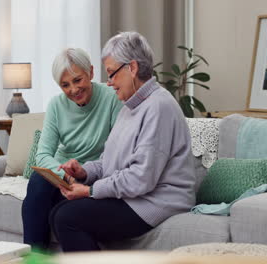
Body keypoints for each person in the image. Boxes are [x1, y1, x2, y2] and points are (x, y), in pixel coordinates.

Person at [51, 32, 197, 252]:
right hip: (137, 197)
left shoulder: (159, 107)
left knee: (66, 218)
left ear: (133, 68)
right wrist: (84, 173)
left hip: (157, 201)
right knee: (57, 212)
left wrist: (90, 191)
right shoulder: (130, 107)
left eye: (111, 74)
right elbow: (108, 161)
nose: (109, 83)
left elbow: (141, 179)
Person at [21, 48, 123, 251]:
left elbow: (117, 150)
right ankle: (35, 257)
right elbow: (42, 155)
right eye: (65, 85)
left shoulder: (112, 98)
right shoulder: (56, 105)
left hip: (93, 174)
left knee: (58, 209)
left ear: (91, 72)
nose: (73, 90)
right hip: (63, 175)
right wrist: (66, 177)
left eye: (78, 80)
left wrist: (80, 177)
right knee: (38, 182)